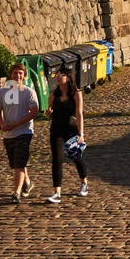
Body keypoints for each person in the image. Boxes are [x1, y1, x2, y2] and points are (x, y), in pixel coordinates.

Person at [0, 62, 40, 204]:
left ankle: (16, 193)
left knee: (19, 164)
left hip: (24, 132)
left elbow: (34, 112)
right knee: (16, 163)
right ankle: (27, 182)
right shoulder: (2, 92)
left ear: (24, 76)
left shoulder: (28, 92)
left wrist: (16, 124)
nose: (17, 76)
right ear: (11, 75)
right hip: (8, 134)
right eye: (15, 73)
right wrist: (2, 124)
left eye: (20, 73)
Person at [45, 69, 88, 202]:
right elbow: (50, 113)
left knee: (76, 157)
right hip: (56, 130)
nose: (57, 78)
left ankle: (84, 183)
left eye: (61, 76)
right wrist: (48, 113)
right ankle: (57, 192)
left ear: (68, 77)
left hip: (71, 130)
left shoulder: (76, 93)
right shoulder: (53, 94)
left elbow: (79, 114)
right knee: (57, 160)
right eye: (56, 76)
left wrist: (81, 134)